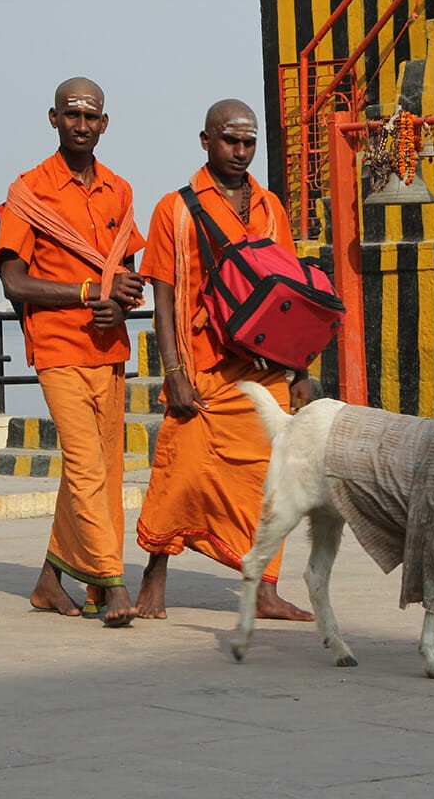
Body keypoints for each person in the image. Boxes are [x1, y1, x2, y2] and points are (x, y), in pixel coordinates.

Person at [134, 99, 314, 622]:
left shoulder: (270, 207)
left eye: (249, 142)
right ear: (205, 140)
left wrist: (299, 372)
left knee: (274, 481)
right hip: (202, 367)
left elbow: (291, 293)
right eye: (230, 140)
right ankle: (154, 575)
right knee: (179, 473)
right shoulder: (174, 208)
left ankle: (264, 588)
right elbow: (163, 297)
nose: (241, 151)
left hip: (264, 367)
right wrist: (173, 370)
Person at [0, 76, 146, 626]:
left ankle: (47, 583)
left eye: (92, 116)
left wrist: (120, 302)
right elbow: (14, 280)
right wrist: (89, 294)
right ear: (53, 118)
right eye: (72, 115)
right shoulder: (29, 191)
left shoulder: (120, 190)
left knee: (101, 468)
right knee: (86, 467)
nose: (82, 125)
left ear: (104, 123)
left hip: (109, 349)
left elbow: (126, 275)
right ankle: (111, 583)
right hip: (57, 348)